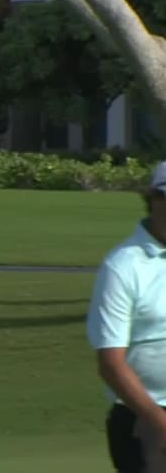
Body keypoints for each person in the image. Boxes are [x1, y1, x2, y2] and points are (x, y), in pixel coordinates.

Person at [87, 161, 166, 473]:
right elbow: (111, 364)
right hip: (145, 418)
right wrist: (158, 422)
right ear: (154, 198)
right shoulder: (123, 267)